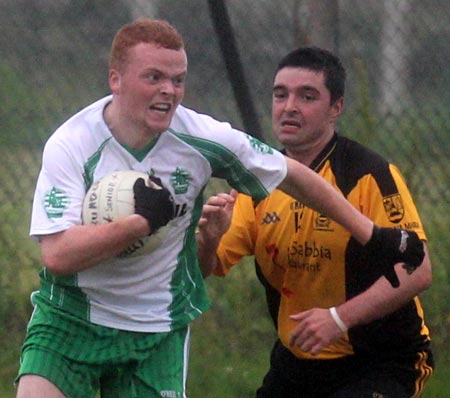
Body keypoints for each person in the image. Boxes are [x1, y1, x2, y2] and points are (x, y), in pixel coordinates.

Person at [15, 18, 424, 398]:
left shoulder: (202, 138)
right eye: (154, 77)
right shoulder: (72, 143)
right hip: (71, 318)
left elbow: (293, 175)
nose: (168, 91)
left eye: (178, 80)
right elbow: (57, 255)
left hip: (156, 329)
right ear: (116, 80)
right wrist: (140, 223)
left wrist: (371, 234)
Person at [198, 47, 433, 397]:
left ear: (335, 108)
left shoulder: (368, 174)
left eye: (307, 96)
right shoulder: (257, 181)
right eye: (281, 95)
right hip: (299, 361)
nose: (290, 106)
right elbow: (204, 267)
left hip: (382, 360)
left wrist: (340, 318)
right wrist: (209, 240)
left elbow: (420, 270)